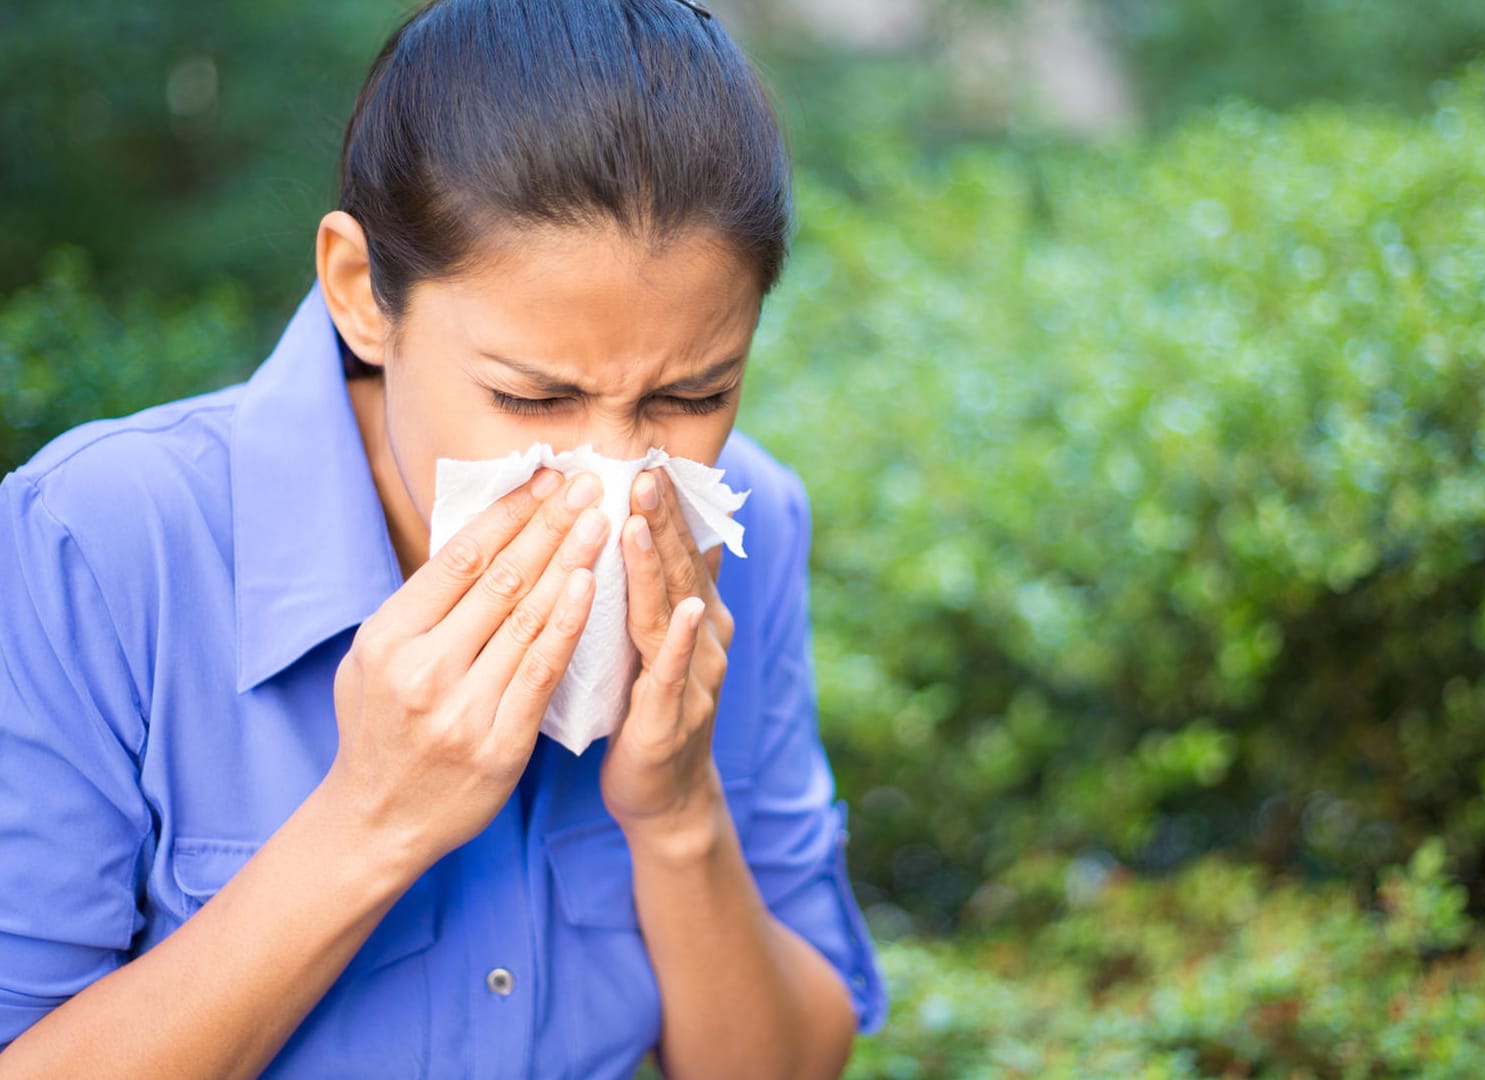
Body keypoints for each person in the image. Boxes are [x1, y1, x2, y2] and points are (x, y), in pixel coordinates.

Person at [0, 1, 888, 1076]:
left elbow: (791, 1062)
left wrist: (679, 812)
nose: (611, 473)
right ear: (360, 294)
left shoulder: (749, 523)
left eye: (693, 393)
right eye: (531, 397)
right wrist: (371, 819)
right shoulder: (97, 546)